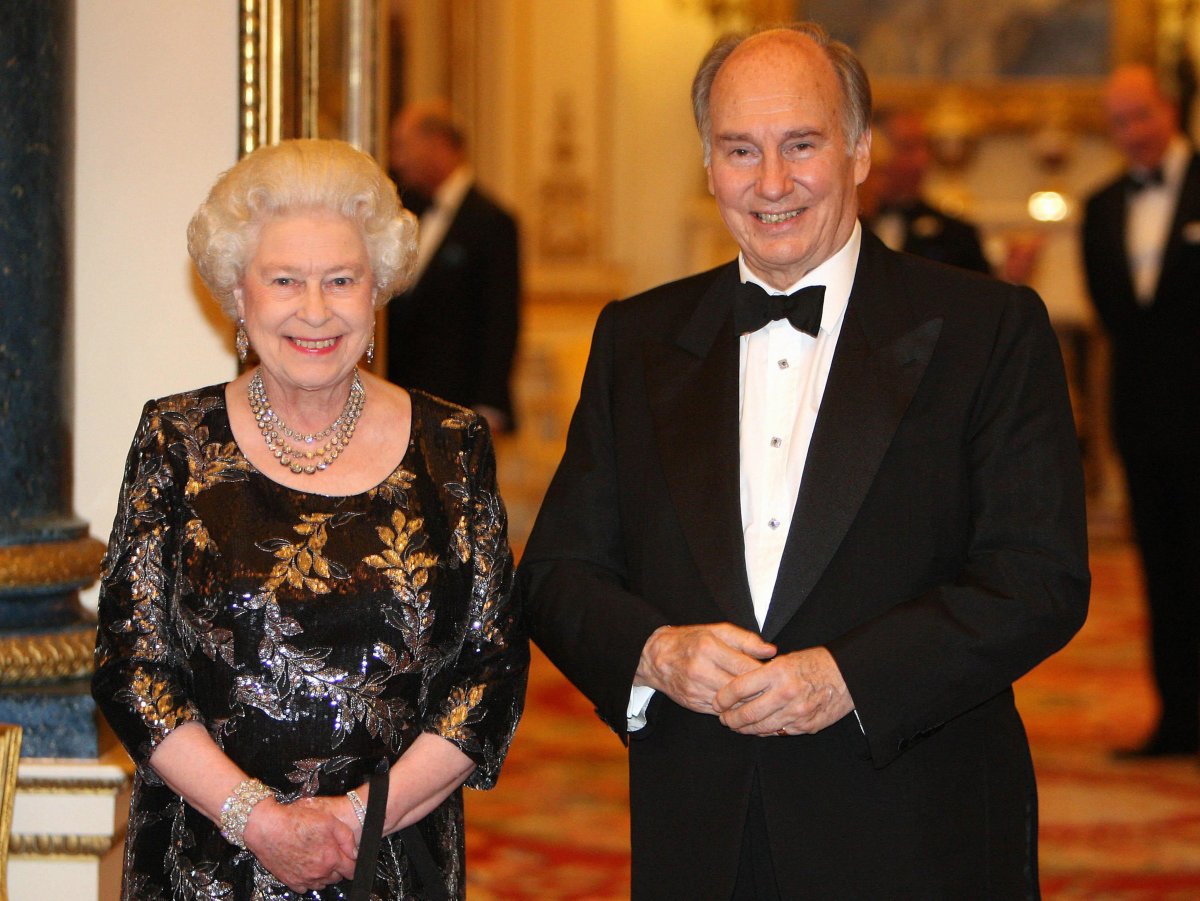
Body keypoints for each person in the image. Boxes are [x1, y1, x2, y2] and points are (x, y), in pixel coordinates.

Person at [520, 23, 1089, 898]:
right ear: (707, 164)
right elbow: (560, 574)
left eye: (802, 145)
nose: (772, 183)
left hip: (915, 826)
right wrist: (655, 651)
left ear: (860, 151)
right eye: (740, 149)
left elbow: (1039, 576)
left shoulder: (988, 329)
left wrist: (847, 676)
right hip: (701, 830)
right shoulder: (636, 338)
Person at [91, 139, 529, 900]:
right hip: (204, 865)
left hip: (392, 863)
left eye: (341, 280)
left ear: (377, 289)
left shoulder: (452, 447)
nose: (316, 310)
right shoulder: (176, 443)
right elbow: (133, 669)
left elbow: (489, 674)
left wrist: (356, 820)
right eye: (285, 280)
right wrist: (258, 819)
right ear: (238, 291)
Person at [1082, 64, 1200, 758]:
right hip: (1146, 422)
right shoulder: (1100, 207)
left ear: (1170, 110)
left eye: (1142, 116)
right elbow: (1113, 316)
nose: (1133, 134)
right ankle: (1178, 718)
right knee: (1164, 573)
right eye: (1119, 122)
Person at [386, 100, 521, 434]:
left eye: (403, 145)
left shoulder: (492, 222)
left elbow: (501, 319)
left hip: (458, 406)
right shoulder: (403, 212)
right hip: (399, 402)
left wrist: (489, 407)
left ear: (438, 143)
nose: (396, 159)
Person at [863, 108, 992, 274]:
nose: (922, 160)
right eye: (908, 148)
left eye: (925, 147)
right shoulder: (846, 227)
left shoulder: (956, 235)